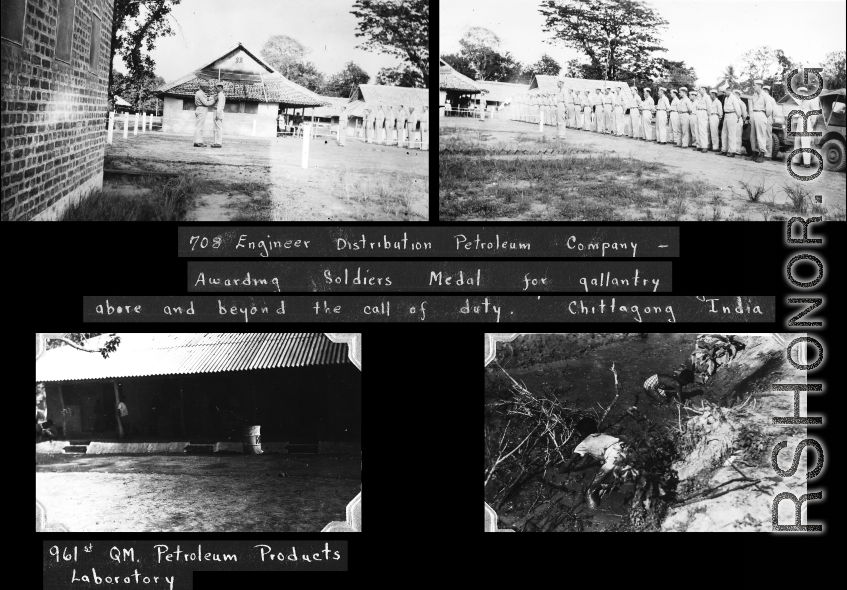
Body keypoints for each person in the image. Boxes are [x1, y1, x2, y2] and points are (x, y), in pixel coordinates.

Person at [559, 431, 639, 509]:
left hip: (614, 457)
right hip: (628, 451)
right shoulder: (602, 434)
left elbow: (569, 463)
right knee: (626, 480)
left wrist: (560, 472)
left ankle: (593, 510)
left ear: (581, 434)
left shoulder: (583, 444)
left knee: (592, 490)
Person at [790, 86, 818, 169]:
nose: (800, 93)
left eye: (801, 92)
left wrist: (812, 123)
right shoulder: (800, 101)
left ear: (804, 92)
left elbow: (814, 112)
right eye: (799, 92)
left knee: (805, 141)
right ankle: (796, 160)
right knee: (797, 141)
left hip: (806, 121)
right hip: (799, 120)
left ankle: (807, 162)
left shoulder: (809, 100)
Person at [747, 79, 771, 163]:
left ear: (760, 86)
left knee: (761, 135)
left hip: (761, 114)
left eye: (755, 85)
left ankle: (762, 154)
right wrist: (751, 116)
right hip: (754, 114)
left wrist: (764, 116)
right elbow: (751, 107)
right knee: (752, 135)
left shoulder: (765, 96)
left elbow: (769, 109)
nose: (754, 87)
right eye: (754, 85)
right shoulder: (754, 96)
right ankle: (754, 152)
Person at [719, 88, 742, 157]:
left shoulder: (733, 98)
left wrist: (737, 117)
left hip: (732, 115)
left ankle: (732, 151)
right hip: (726, 115)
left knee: (731, 134)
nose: (724, 93)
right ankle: (724, 150)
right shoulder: (726, 98)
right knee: (724, 133)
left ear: (729, 91)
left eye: (725, 92)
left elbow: (738, 109)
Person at [194, 80, 216, 147]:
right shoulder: (200, 94)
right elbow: (206, 102)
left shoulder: (201, 93)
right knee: (199, 127)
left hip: (201, 109)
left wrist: (212, 97)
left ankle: (198, 141)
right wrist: (214, 100)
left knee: (200, 126)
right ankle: (197, 142)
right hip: (202, 109)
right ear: (202, 87)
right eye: (206, 87)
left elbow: (206, 98)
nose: (207, 89)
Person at [761, 84, 778, 159]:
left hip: (768, 117)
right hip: (762, 116)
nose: (764, 91)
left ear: (767, 91)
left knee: (767, 135)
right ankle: (762, 152)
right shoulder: (761, 98)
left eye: (766, 90)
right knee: (761, 135)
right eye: (764, 90)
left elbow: (775, 110)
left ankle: (768, 154)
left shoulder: (771, 99)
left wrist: (773, 117)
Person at [694, 86, 711, 153]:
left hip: (703, 112)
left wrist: (708, 116)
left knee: (703, 130)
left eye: (700, 89)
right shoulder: (699, 97)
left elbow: (709, 108)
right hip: (698, 113)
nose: (699, 91)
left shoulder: (707, 97)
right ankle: (699, 146)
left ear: (704, 89)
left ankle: (704, 146)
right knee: (697, 130)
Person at [211, 81, 225, 148]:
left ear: (219, 88)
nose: (215, 89)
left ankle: (218, 142)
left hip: (218, 111)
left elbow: (220, 105)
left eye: (216, 88)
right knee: (215, 128)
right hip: (215, 111)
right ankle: (216, 142)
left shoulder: (221, 95)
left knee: (218, 128)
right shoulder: (218, 95)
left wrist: (218, 114)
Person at [735, 89, 748, 156]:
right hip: (733, 119)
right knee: (732, 135)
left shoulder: (741, 103)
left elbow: (744, 114)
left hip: (738, 119)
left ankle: (737, 150)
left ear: (738, 95)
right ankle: (732, 149)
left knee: (738, 135)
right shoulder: (733, 102)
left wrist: (743, 120)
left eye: (735, 94)